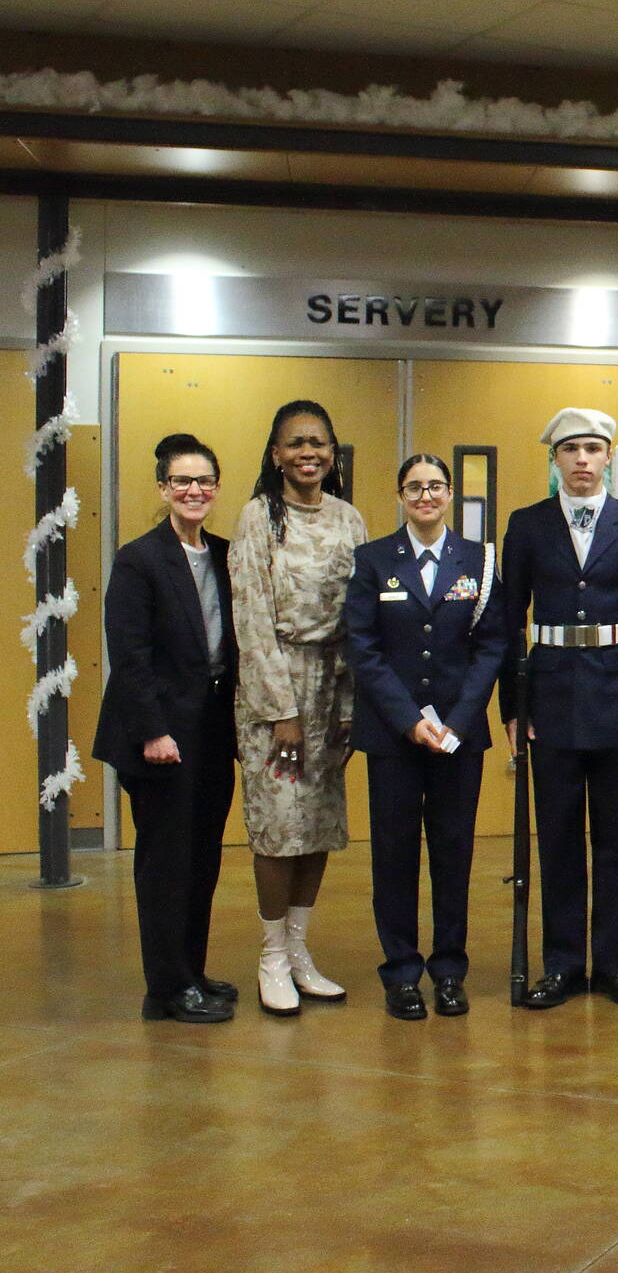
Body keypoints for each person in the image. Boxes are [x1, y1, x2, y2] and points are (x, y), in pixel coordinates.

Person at [499, 407, 618, 1010]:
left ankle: (615, 964)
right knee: (560, 839)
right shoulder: (525, 526)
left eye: (593, 448)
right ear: (555, 459)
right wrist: (511, 707)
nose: (582, 460)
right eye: (570, 449)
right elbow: (506, 621)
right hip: (549, 701)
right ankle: (564, 964)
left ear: (609, 457)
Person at [344, 455, 507, 1021]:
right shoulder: (372, 560)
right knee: (393, 854)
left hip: (459, 737)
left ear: (450, 493)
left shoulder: (480, 561)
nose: (425, 495)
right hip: (394, 736)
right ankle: (402, 973)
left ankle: (449, 969)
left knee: (453, 851)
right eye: (414, 487)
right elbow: (362, 647)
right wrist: (410, 719)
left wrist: (458, 721)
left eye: (435, 486)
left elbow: (492, 646)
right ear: (399, 495)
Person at [228, 400, 367, 1016]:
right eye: (296, 443)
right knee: (278, 826)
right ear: (276, 453)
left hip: (332, 686)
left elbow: (361, 619)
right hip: (275, 689)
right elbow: (251, 619)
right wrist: (281, 709)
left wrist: (347, 706)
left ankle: (300, 950)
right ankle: (270, 956)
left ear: (332, 453)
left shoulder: (349, 519)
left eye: (319, 442)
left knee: (317, 826)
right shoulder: (260, 517)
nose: (308, 452)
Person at [95, 434, 239, 1023]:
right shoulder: (139, 558)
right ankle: (166, 989)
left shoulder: (226, 554)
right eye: (182, 480)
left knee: (202, 858)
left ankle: (191, 972)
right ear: (163, 488)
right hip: (160, 737)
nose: (194, 490)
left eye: (204, 480)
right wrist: (154, 731)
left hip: (211, 732)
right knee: (165, 864)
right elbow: (128, 655)